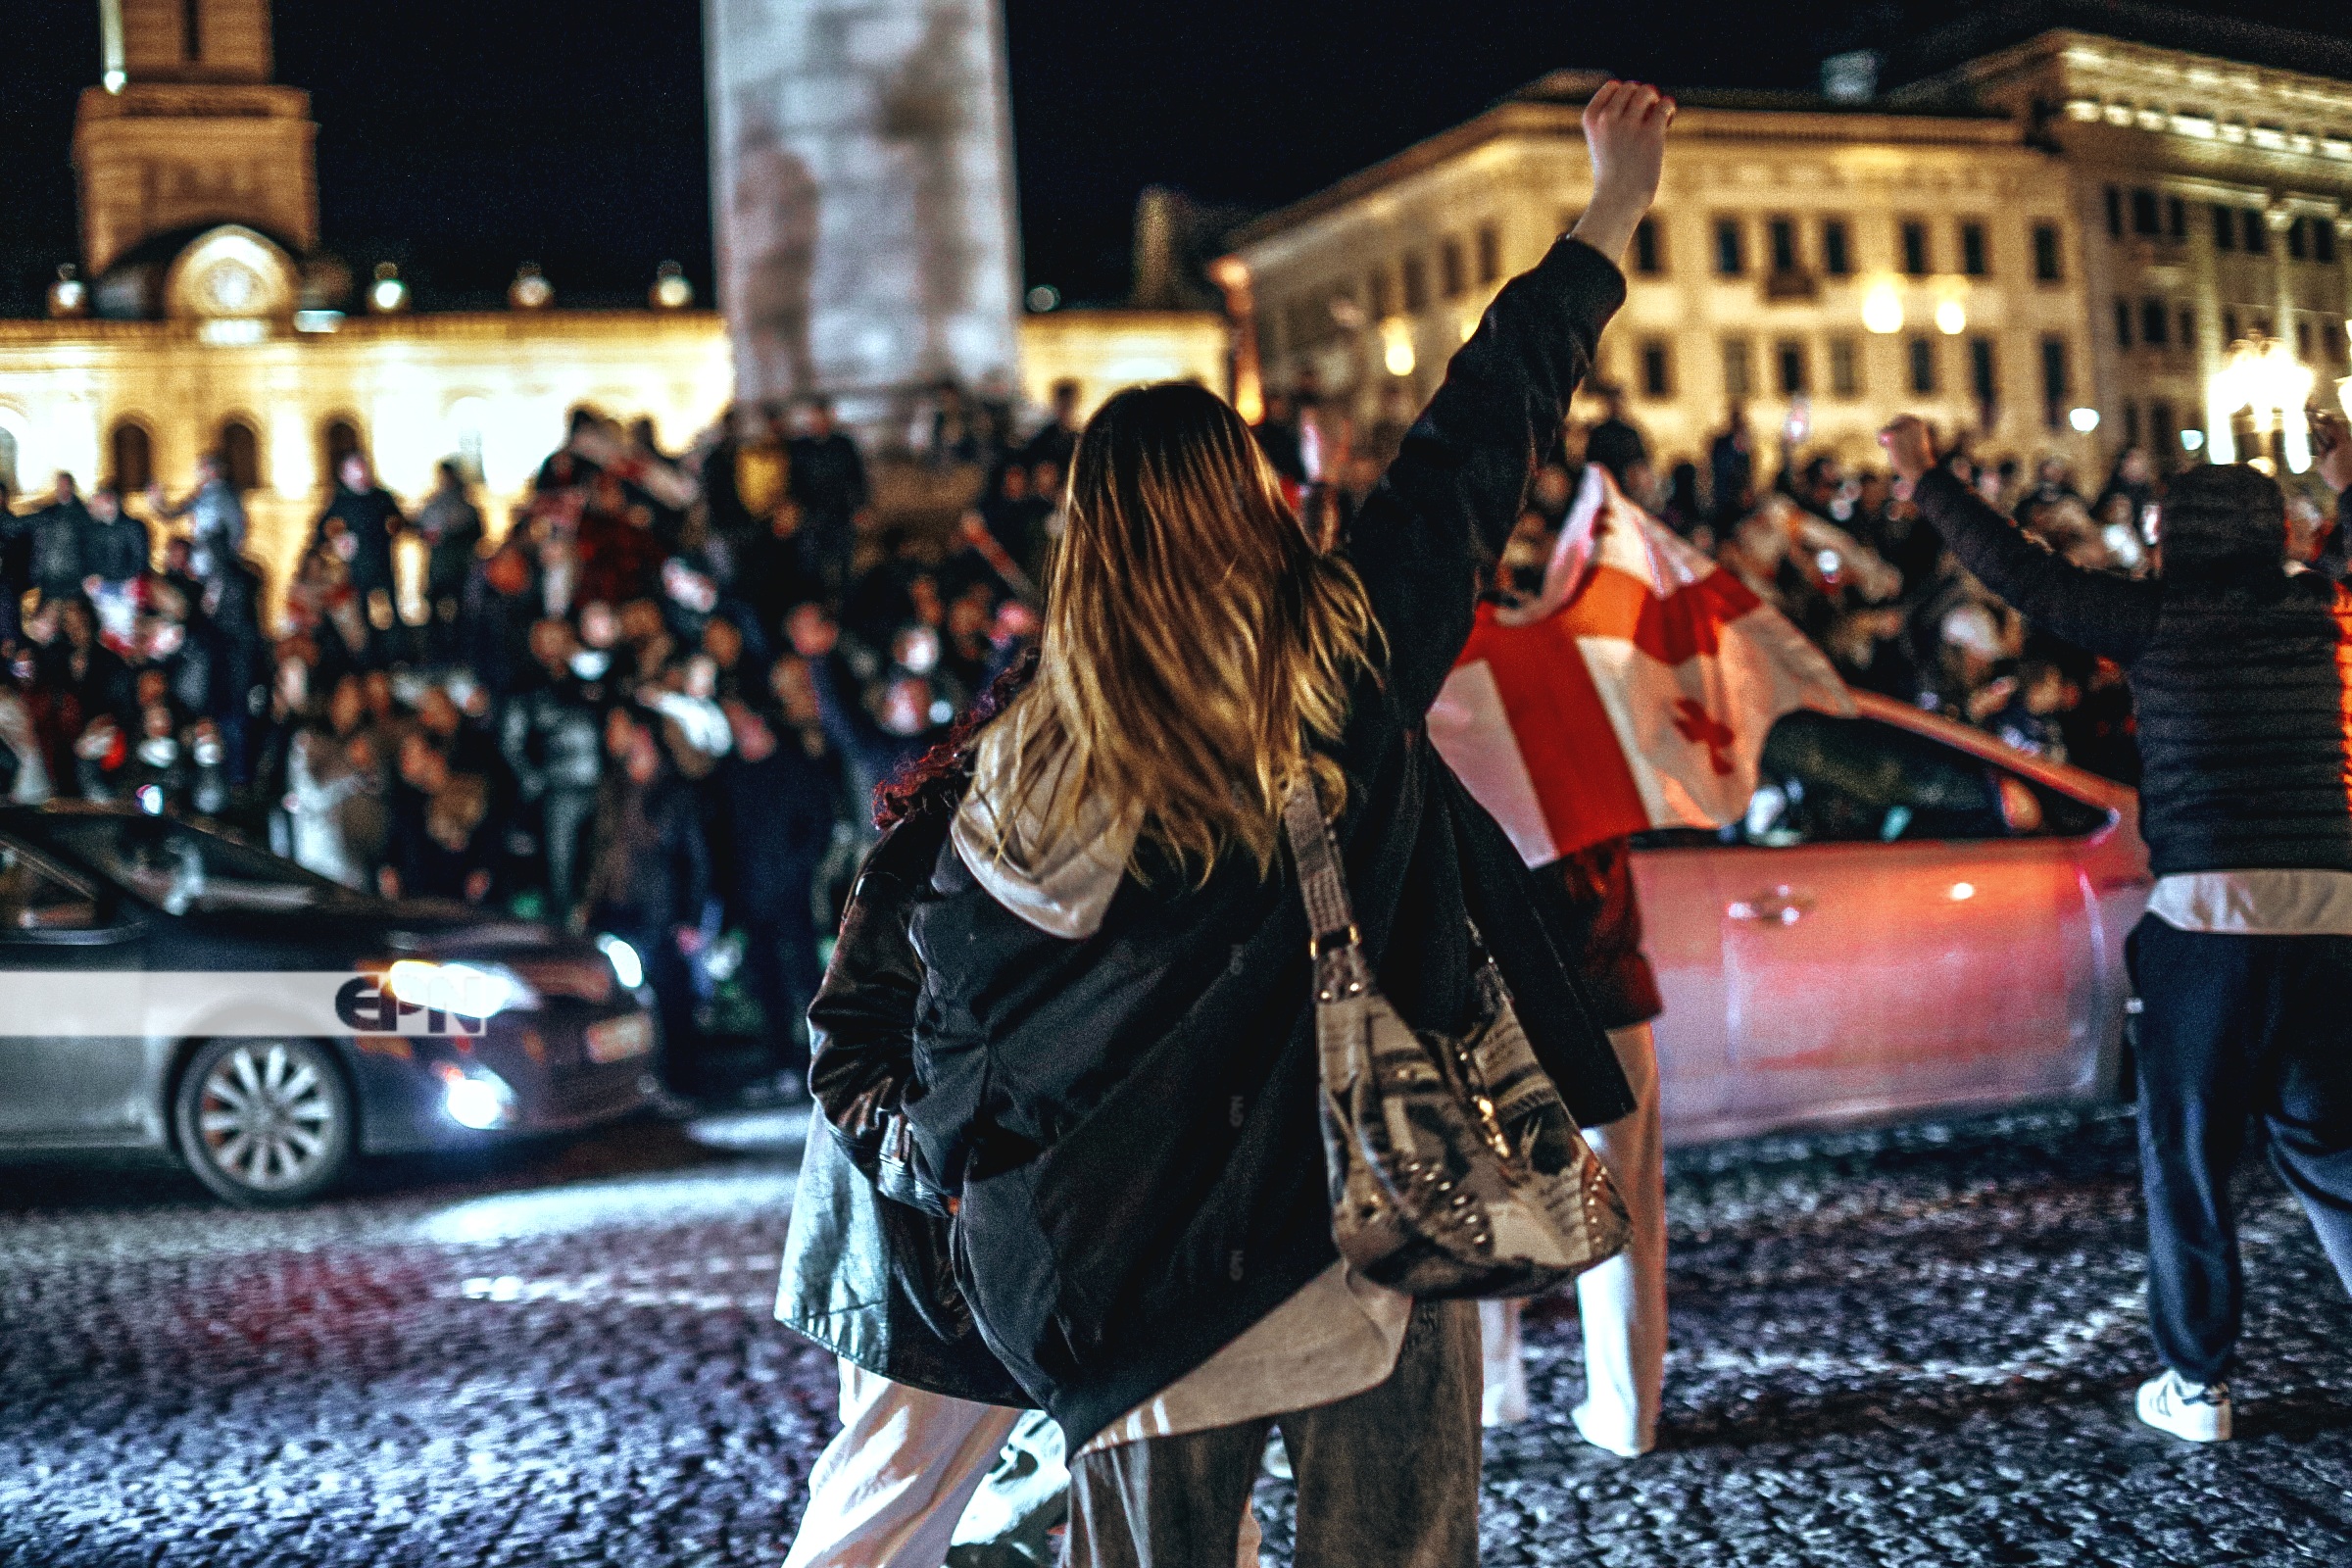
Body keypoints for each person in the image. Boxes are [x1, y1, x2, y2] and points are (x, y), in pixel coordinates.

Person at [895, 80, 1667, 1566]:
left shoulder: (1022, 759)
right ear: (1256, 509)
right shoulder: (1346, 661)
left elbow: (961, 1036)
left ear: (1086, 542)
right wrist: (1606, 216)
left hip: (1123, 1288)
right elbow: (1475, 438)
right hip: (1363, 1234)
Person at [1881, 409, 2352, 1446]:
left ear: (2172, 537)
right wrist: (2345, 476)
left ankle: (2199, 1384)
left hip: (2205, 927)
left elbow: (2018, 569)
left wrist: (1927, 478)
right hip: (2334, 922)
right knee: (2337, 1152)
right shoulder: (2321, 607)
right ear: (2274, 535)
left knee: (2188, 1163)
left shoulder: (2153, 617)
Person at [1477, 835, 1668, 1457]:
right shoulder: (1587, 787)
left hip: (1501, 1009)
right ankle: (1625, 1412)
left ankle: (1491, 1393)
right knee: (1622, 1209)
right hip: (1605, 1000)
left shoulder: (1477, 776)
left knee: (1491, 1200)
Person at [314, 452, 407, 625]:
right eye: (356, 471)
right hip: (357, 565)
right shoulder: (342, 500)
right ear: (345, 476)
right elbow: (322, 528)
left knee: (393, 606)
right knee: (363, 610)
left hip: (382, 559)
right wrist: (336, 540)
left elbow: (400, 520)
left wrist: (395, 527)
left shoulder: (380, 496)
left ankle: (398, 637)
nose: (362, 475)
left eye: (363, 470)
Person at [150, 452, 246, 584]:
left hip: (214, 560)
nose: (197, 473)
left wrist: (156, 503)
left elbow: (172, 514)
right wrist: (157, 504)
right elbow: (172, 514)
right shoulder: (215, 493)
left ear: (211, 471)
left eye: (200, 468)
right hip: (211, 559)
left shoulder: (217, 494)